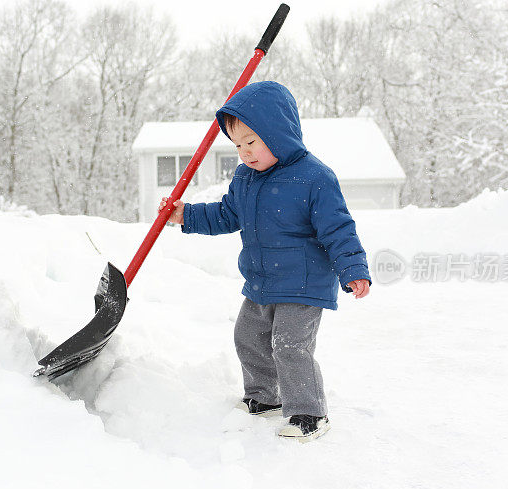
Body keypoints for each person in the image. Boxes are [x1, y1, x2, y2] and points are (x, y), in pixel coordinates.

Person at [158, 81, 371, 442]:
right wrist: (187, 215)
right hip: (261, 281)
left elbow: (338, 228)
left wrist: (353, 269)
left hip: (302, 285)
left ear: (279, 132)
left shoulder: (315, 178)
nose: (244, 152)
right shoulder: (245, 178)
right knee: (249, 337)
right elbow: (227, 215)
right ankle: (263, 397)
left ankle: (309, 413)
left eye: (252, 142)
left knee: (290, 347)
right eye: (238, 145)